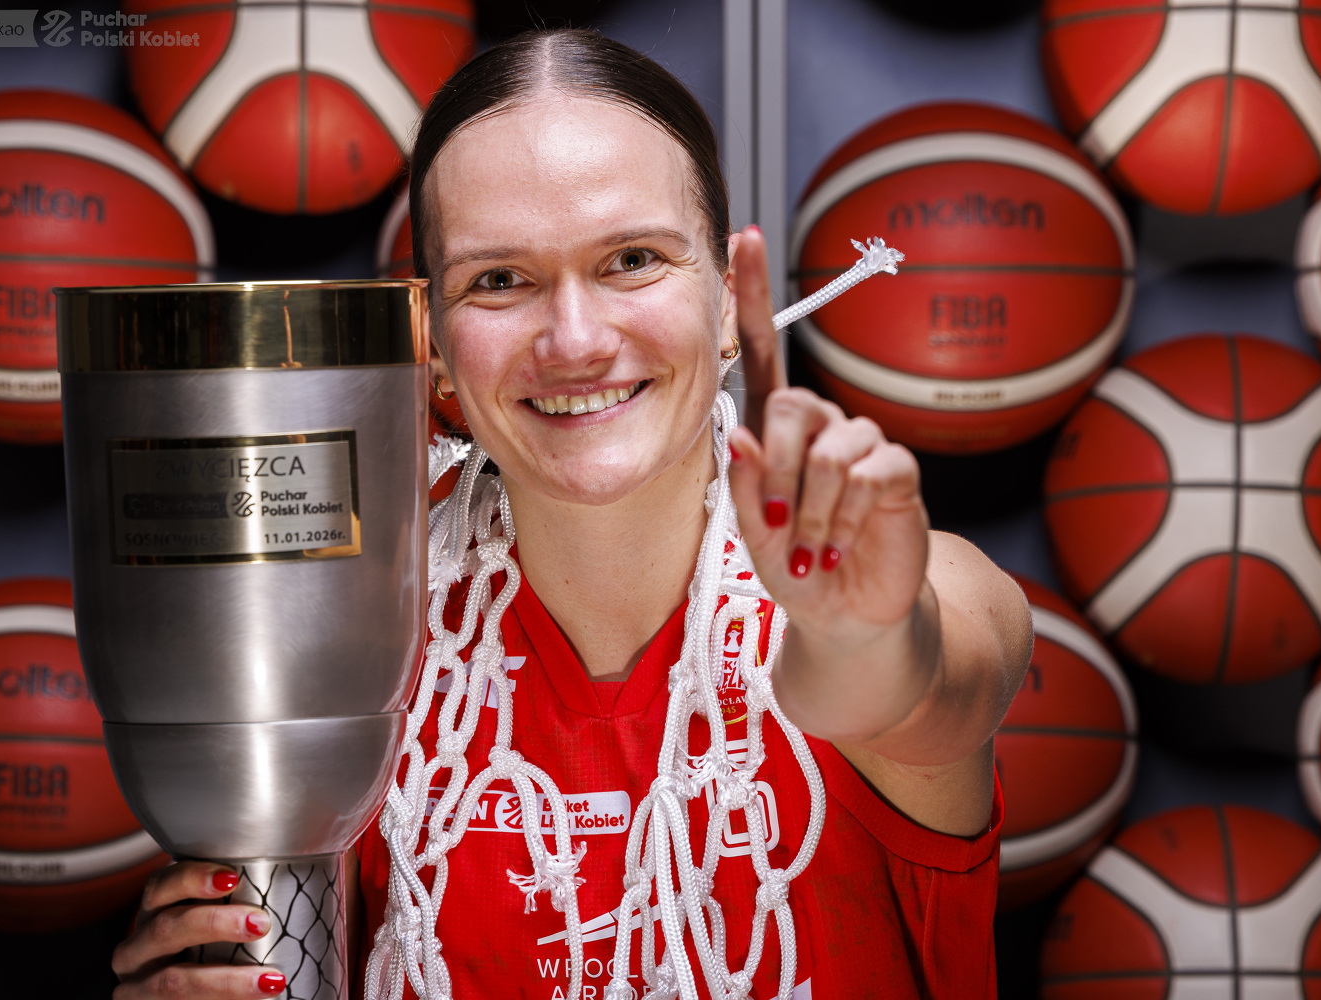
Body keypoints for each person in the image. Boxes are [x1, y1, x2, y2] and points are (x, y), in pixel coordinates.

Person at [111, 28, 1032, 1000]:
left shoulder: (918, 586)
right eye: (499, 279)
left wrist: (859, 632)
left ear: (727, 300)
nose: (575, 339)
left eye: (632, 258)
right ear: (434, 345)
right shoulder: (344, 644)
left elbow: (912, 687)